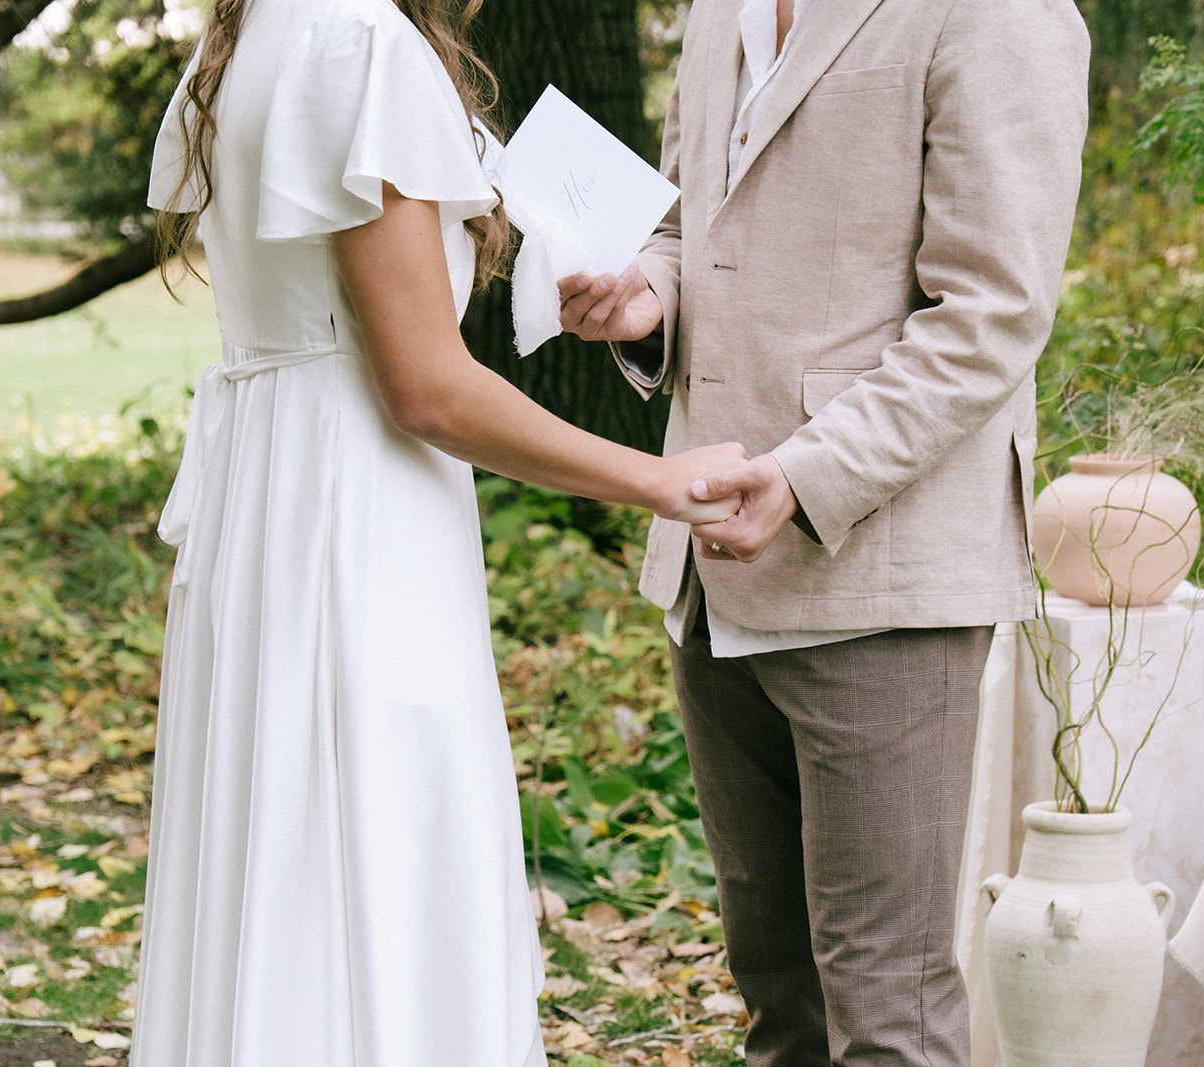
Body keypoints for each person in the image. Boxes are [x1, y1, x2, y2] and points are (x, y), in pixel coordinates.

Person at [135, 0, 746, 1061]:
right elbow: (424, 386)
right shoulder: (363, 42)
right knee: (383, 857)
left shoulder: (250, 35)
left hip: (273, 497)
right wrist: (656, 479)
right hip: (355, 517)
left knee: (286, 870)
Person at [558, 0, 1090, 1062]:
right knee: (778, 999)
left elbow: (991, 313)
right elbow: (684, 229)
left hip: (879, 568)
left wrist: (804, 478)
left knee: (885, 1011)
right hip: (711, 575)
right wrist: (641, 295)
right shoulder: (721, 11)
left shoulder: (1000, 13)